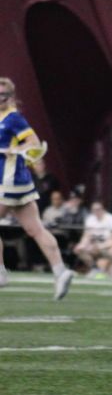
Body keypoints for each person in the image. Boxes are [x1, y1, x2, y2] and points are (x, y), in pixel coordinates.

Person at [0, 77, 74, 299]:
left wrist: (13, 151)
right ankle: (60, 271)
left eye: (3, 95)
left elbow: (33, 143)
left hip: (8, 180)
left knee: (36, 229)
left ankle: (0, 273)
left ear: (11, 97)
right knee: (35, 229)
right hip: (18, 181)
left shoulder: (13, 119)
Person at [73, 201, 112, 272]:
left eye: (98, 209)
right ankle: (94, 267)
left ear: (103, 209)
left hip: (108, 244)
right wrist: (82, 244)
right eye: (94, 209)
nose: (96, 211)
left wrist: (102, 246)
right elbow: (86, 236)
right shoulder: (90, 219)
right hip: (94, 243)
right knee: (78, 249)